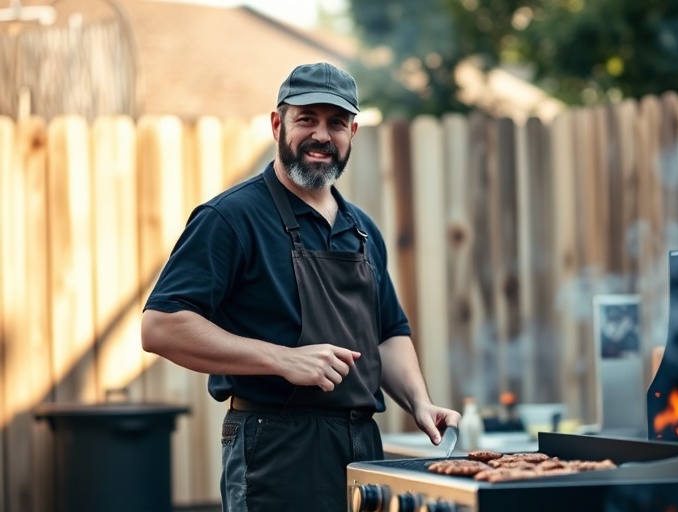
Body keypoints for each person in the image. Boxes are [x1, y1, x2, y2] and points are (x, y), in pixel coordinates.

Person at [141, 61, 461, 511]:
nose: (321, 136)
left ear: (353, 132)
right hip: (274, 447)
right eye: (306, 119)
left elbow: (388, 333)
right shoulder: (231, 218)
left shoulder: (362, 229)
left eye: (335, 123)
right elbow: (160, 326)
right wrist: (282, 359)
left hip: (360, 450)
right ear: (278, 124)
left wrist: (419, 403)